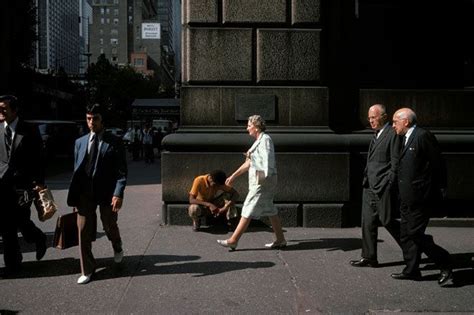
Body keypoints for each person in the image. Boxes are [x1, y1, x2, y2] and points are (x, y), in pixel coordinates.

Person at [391, 107, 452, 286]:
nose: (393, 125)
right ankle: (412, 270)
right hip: (406, 196)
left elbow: (438, 164)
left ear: (406, 121)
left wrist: (439, 188)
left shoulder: (423, 136)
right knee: (405, 233)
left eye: (395, 121)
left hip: (420, 197)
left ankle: (445, 262)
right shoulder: (404, 138)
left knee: (414, 233)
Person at [67, 104, 127, 284]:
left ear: (102, 120)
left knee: (109, 225)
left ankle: (117, 246)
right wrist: (76, 195)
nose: (91, 122)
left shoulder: (114, 141)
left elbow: (121, 171)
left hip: (107, 193)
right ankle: (87, 269)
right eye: (88, 118)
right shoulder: (80, 142)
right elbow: (77, 170)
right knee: (83, 230)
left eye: (95, 119)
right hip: (85, 193)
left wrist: (118, 193)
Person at [217, 115, 286, 250]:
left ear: (256, 126)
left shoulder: (265, 140)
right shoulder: (258, 141)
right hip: (262, 180)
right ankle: (280, 239)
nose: (247, 128)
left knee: (248, 207)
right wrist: (233, 176)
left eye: (249, 125)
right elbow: (249, 163)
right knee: (270, 209)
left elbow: (268, 160)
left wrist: (265, 177)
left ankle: (233, 240)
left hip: (262, 181)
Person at [0, 95, 47, 276]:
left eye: (4, 108)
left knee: (21, 221)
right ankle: (13, 266)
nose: (1, 112)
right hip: (2, 188)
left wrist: (39, 183)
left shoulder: (29, 130)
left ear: (15, 110)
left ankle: (38, 237)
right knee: (6, 227)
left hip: (23, 187)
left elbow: (39, 159)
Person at [350, 104, 402, 268]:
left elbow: (395, 162)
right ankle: (369, 256)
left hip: (382, 185)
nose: (370, 121)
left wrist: (388, 182)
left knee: (387, 220)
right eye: (369, 118)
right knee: (367, 222)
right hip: (369, 185)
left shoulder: (392, 134)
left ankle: (412, 248)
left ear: (384, 117)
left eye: (373, 117)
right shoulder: (377, 134)